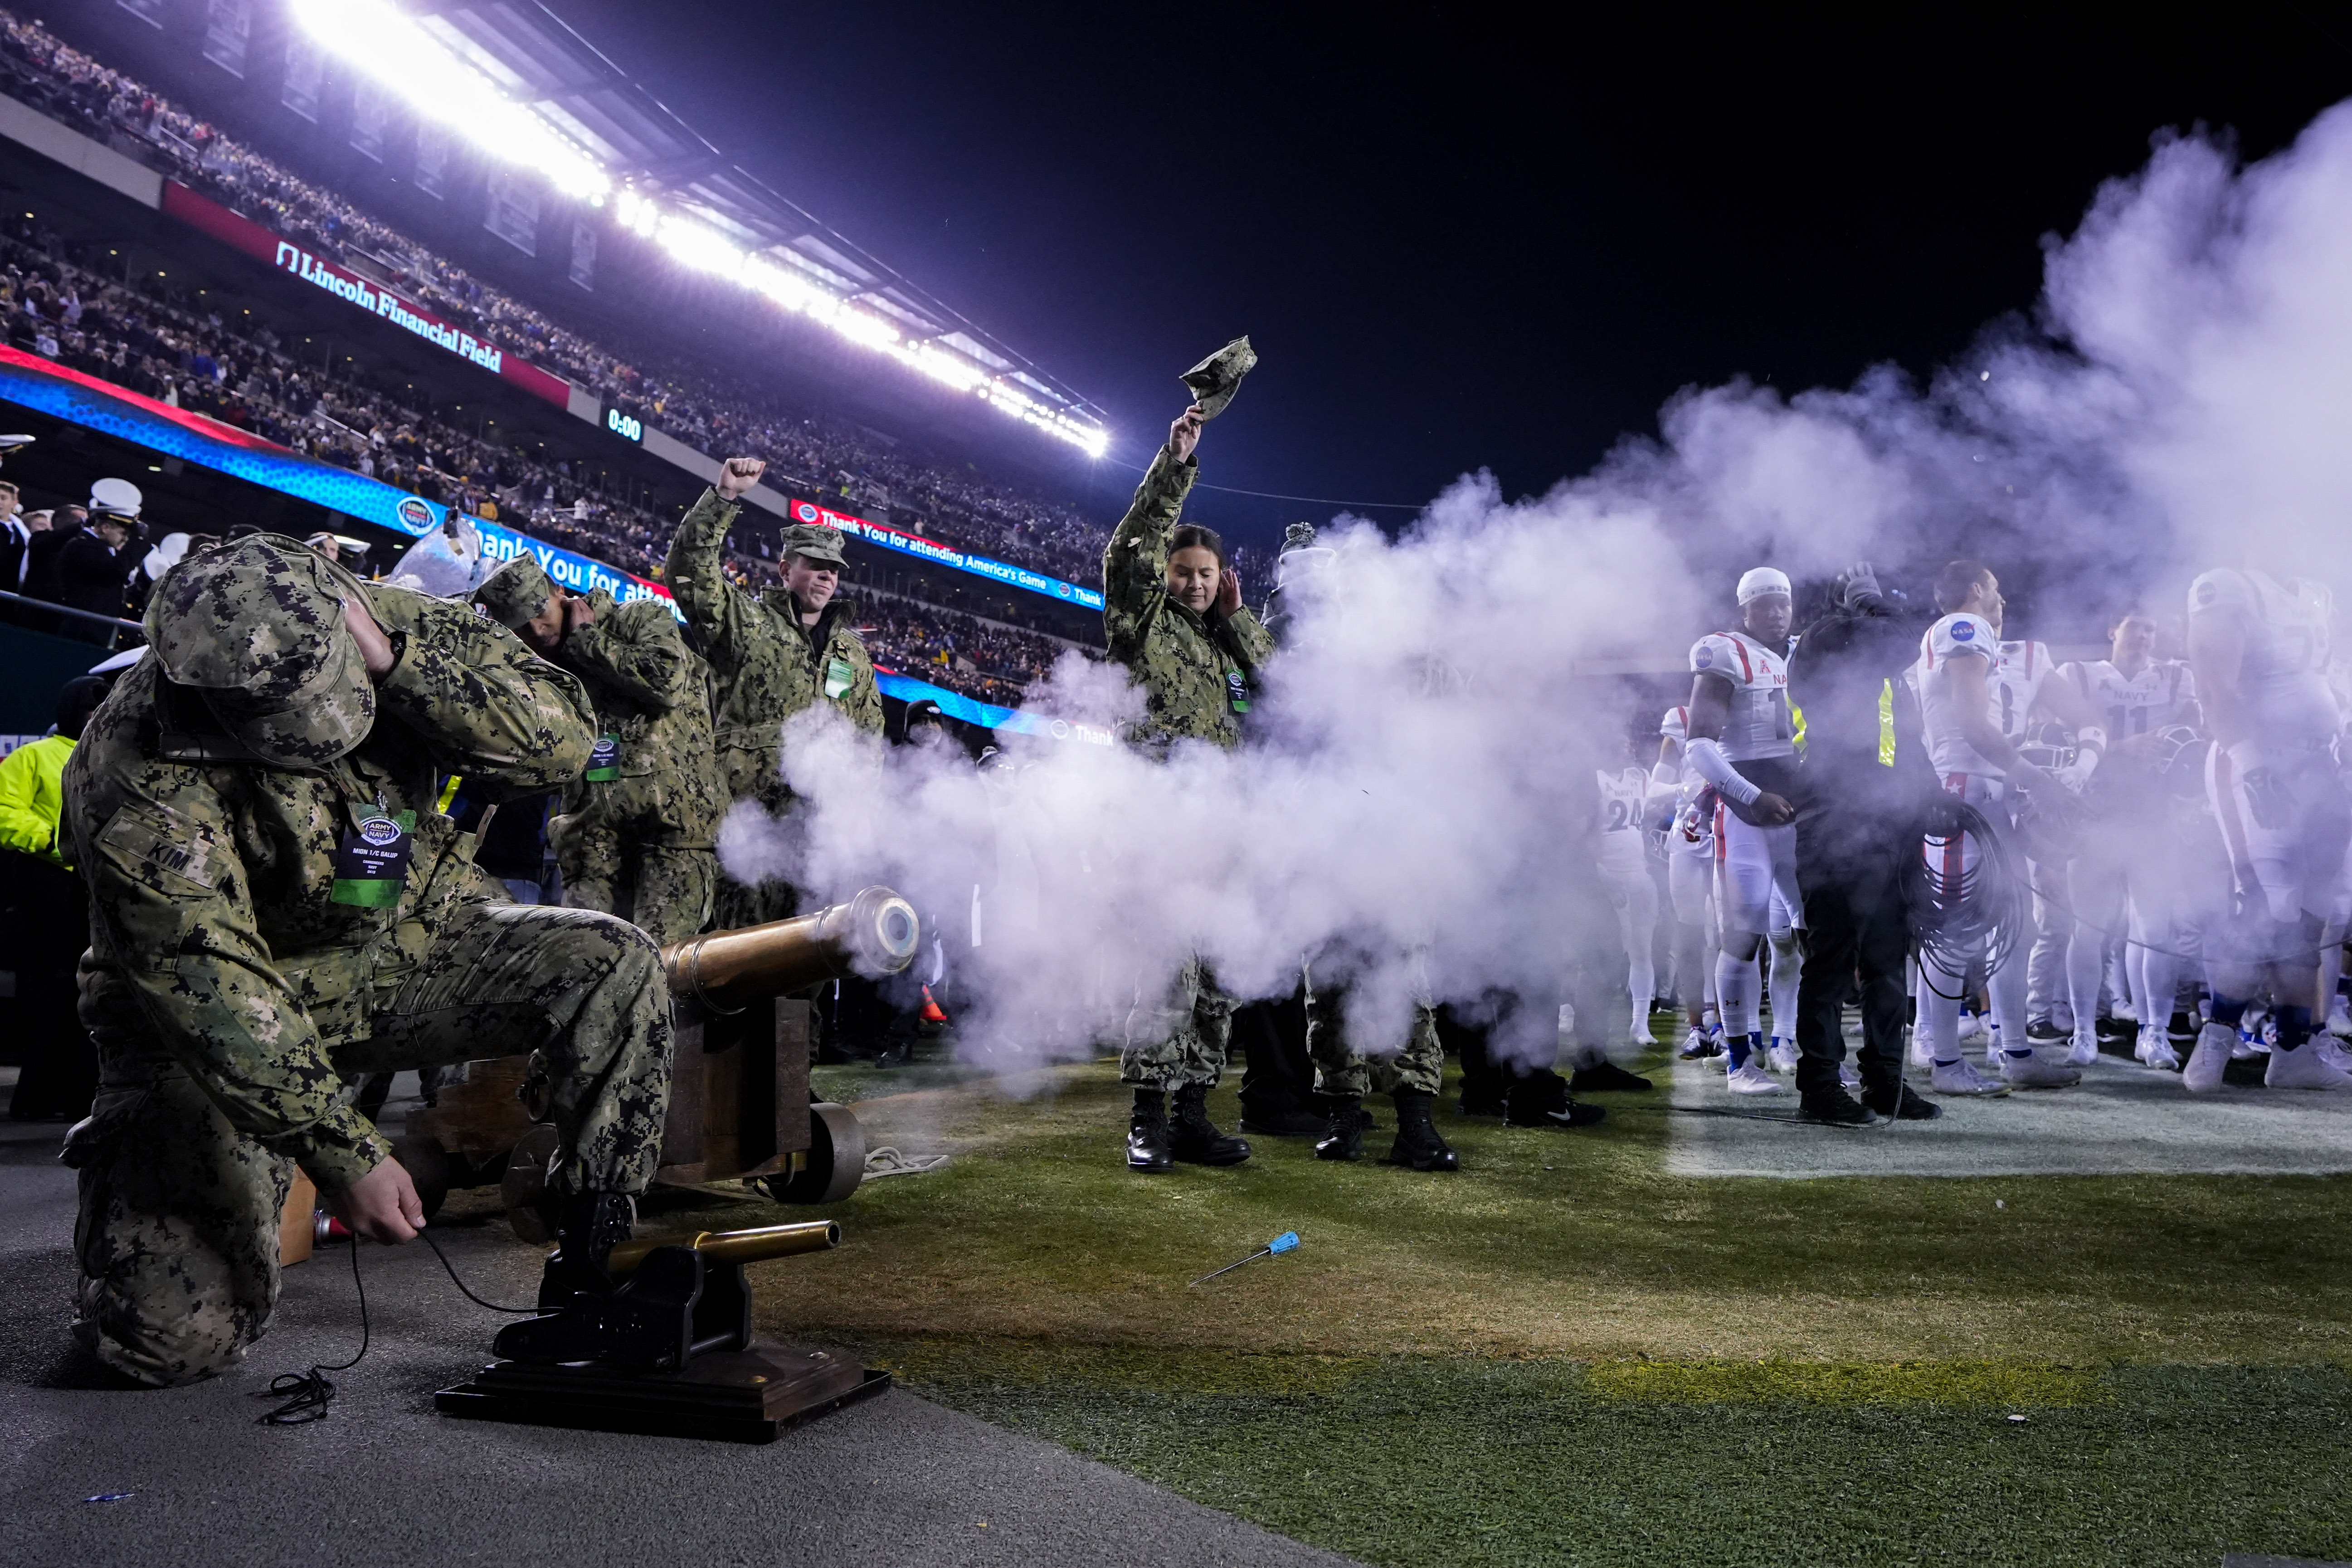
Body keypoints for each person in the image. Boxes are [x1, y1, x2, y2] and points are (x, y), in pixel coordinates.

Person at [61, 533, 672, 1387]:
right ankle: (138, 1178)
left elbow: (565, 747)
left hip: (400, 956)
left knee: (612, 960)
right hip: (220, 1023)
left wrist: (399, 666)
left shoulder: (394, 624)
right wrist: (341, 1148)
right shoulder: (129, 769)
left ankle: (596, 1257)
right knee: (168, 1341)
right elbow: (212, 980)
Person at [1104, 400, 1272, 1172]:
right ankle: (1146, 1115)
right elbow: (1126, 549)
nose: (1196, 584)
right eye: (1184, 573)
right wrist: (1175, 464)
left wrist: (1238, 624)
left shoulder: (1228, 642)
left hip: (1226, 833)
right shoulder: (1141, 623)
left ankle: (1193, 1112)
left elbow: (1283, 686)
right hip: (1160, 829)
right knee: (1161, 971)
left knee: (1217, 978)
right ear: (1165, 577)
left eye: (1206, 574)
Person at [1909, 560, 2107, 1093]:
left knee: (2014, 928)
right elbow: (1975, 727)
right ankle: (1948, 1062)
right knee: (1952, 933)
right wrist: (2041, 779)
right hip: (1964, 795)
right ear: (1976, 588)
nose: (2002, 597)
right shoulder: (1965, 626)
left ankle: (2014, 1051)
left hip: (1987, 797)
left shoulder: (1986, 644)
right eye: (1995, 587)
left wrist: (2054, 772)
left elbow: (2086, 717)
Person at [665, 457, 883, 930]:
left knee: (805, 963)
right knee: (737, 954)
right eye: (815, 566)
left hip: (820, 836)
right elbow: (689, 574)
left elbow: (868, 740)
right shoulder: (748, 624)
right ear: (786, 569)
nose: (827, 576)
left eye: (835, 570)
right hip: (746, 825)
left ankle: (799, 1010)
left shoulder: (852, 653)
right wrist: (724, 497)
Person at [473, 554, 723, 945]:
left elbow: (665, 684)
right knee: (587, 959)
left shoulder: (639, 617)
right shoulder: (537, 669)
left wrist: (587, 642)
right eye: (521, 625)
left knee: (664, 965)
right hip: (591, 837)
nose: (536, 630)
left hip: (673, 828)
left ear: (561, 593)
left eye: (540, 611)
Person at [2178, 567, 2352, 1093]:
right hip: (2260, 765)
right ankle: (2216, 1039)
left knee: (2312, 913)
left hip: (2321, 766)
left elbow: (2330, 674)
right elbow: (2212, 687)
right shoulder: (2228, 585)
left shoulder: (2315, 590)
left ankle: (2294, 1049)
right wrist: (2251, 764)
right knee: (2261, 903)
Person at [1785, 564, 1940, 1123]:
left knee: (1886, 962)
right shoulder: (1827, 637)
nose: (1881, 608)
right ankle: (1820, 1088)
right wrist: (1869, 598)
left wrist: (1933, 797)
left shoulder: (1874, 664)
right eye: (1871, 603)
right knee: (1831, 962)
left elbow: (1903, 742)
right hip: (1836, 820)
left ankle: (1885, 1082)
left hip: (1883, 821)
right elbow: (1903, 639)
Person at [2044, 612, 2200, 1067]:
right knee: (2087, 928)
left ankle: (2153, 1033)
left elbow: (2194, 738)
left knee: (2155, 929)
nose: (2143, 635)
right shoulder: (2077, 675)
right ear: (2113, 628)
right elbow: (2052, 739)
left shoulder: (2176, 678)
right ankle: (2084, 1031)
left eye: (2151, 627)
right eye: (2134, 625)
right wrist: (2118, 749)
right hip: (2094, 814)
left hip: (2153, 815)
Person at [1680, 566, 1807, 1095]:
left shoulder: (1802, 651)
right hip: (1748, 809)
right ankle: (1738, 1063)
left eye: (1784, 602)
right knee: (1743, 937)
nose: (1777, 612)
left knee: (1803, 936)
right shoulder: (1723, 651)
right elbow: (1699, 744)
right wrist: (1751, 797)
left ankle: (1792, 1042)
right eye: (1765, 604)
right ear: (1744, 609)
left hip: (1799, 807)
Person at [2, 676, 107, 1120]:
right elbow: (6, 811)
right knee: (52, 989)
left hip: (99, 886)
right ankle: (38, 1095)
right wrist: (52, 842)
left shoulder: (110, 757)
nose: (94, 719)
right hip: (50, 884)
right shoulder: (32, 756)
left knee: (91, 993)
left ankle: (80, 1097)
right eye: (88, 711)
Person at [1656, 705, 1723, 1057]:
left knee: (1729, 933)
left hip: (1732, 832)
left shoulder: (1746, 710)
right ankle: (1697, 1026)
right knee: (1690, 933)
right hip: (1690, 837)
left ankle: (1727, 1025)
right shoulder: (1679, 720)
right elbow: (1653, 789)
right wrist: (1687, 787)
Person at [51, 479, 142, 643]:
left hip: (92, 630)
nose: (124, 540)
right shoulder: (82, 546)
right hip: (81, 631)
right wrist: (139, 541)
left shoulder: (98, 547)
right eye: (123, 534)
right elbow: (116, 571)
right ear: (106, 528)